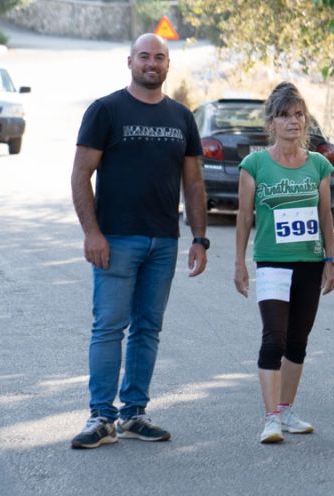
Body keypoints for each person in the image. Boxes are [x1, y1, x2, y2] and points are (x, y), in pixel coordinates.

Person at [69, 33, 208, 449]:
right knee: (109, 327)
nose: (152, 63)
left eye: (159, 58)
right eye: (144, 56)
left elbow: (194, 182)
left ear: (168, 65)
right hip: (116, 239)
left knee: (148, 328)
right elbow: (80, 175)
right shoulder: (106, 110)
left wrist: (199, 238)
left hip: (163, 241)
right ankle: (100, 417)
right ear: (130, 61)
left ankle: (134, 414)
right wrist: (92, 232)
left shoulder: (182, 117)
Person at [234, 83, 334, 443]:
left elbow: (326, 216)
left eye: (298, 114)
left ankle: (287, 410)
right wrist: (239, 263)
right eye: (284, 115)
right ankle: (270, 419)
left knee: (298, 340)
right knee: (274, 338)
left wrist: (331, 259)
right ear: (272, 122)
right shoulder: (254, 164)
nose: (293, 121)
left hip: (309, 263)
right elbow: (244, 217)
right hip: (272, 262)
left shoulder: (319, 165)